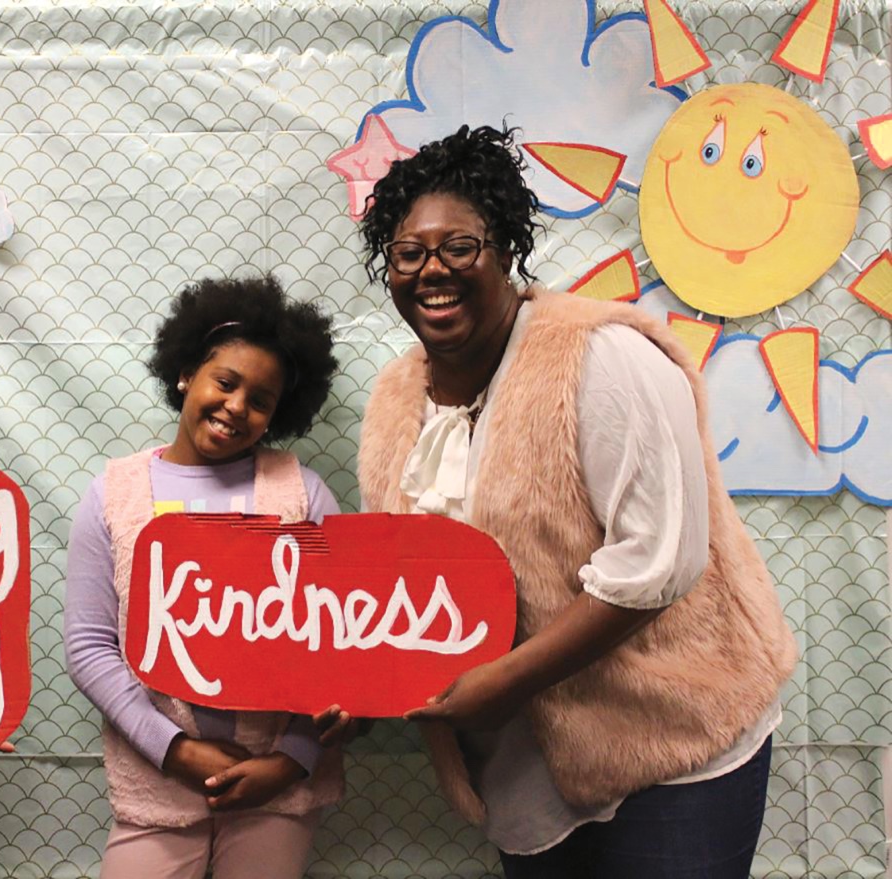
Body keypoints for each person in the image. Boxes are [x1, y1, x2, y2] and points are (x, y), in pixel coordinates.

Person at [323, 125, 797, 877]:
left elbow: (660, 560)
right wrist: (358, 684)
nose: (431, 270)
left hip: (669, 739)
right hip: (524, 762)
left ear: (506, 248)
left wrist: (505, 680)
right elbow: (405, 589)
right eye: (408, 254)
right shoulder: (393, 398)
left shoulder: (601, 357)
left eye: (459, 247)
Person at [64, 276, 344, 879]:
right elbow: (89, 648)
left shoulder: (302, 494)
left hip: (275, 786)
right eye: (225, 381)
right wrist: (175, 750)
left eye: (262, 399)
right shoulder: (115, 495)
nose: (237, 407)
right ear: (186, 373)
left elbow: (342, 647)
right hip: (157, 780)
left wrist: (293, 761)